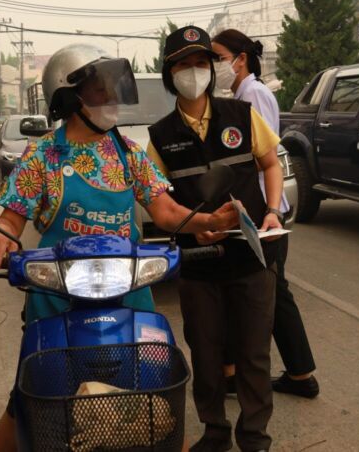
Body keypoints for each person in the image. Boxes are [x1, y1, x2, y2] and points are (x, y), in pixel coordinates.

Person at [0, 44, 239, 452]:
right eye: (101, 90)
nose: (112, 99)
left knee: (157, 397)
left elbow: (165, 209)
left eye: (114, 88)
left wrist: (207, 222)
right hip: (56, 296)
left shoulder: (128, 152)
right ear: (69, 96)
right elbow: (13, 217)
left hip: (128, 291)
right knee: (31, 399)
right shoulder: (42, 154)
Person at [146, 26, 284, 452]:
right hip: (198, 263)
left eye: (201, 63)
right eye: (184, 65)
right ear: (170, 74)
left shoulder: (241, 116)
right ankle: (216, 430)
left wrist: (274, 210)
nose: (194, 72)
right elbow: (158, 203)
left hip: (250, 257)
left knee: (254, 355)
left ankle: (254, 435)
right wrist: (190, 222)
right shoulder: (159, 137)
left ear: (213, 68)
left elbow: (270, 163)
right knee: (206, 355)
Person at [212, 29, 319, 399]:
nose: (214, 66)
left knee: (254, 294)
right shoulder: (243, 93)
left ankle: (241, 374)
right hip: (260, 208)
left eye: (218, 57)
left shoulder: (253, 94)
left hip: (262, 210)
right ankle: (300, 374)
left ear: (240, 59)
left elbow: (262, 156)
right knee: (272, 293)